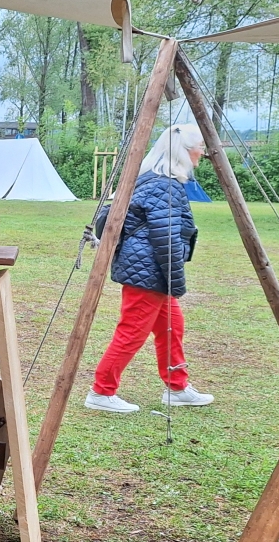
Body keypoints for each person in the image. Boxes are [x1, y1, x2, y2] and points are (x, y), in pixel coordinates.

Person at [87, 122, 211, 413]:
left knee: (172, 326)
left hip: (148, 270)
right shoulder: (164, 186)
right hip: (148, 272)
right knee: (132, 332)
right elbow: (166, 239)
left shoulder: (154, 180)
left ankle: (177, 387)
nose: (202, 154)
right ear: (184, 151)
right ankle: (101, 392)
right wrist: (176, 282)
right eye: (199, 148)